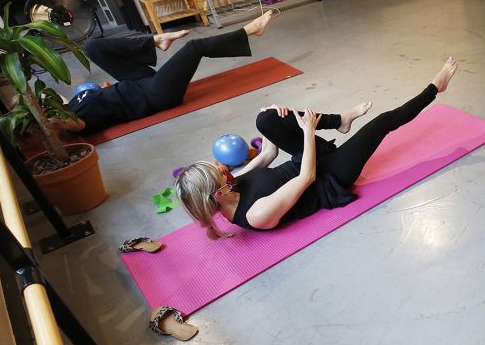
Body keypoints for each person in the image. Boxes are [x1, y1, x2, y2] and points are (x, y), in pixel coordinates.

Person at [175, 57, 458, 237]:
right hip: (327, 178)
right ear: (219, 191)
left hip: (306, 160)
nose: (225, 169)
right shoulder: (255, 214)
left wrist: (275, 119)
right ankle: (435, 87)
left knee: (266, 118)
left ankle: (341, 120)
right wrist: (307, 131)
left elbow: (268, 155)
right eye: (220, 172)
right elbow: (306, 178)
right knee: (382, 122)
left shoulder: (231, 187)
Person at [57, 10, 278, 136]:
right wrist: (49, 123)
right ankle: (250, 30)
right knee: (194, 47)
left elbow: (56, 100)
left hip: (134, 81)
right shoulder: (74, 121)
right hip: (154, 96)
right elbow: (67, 125)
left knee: (91, 48)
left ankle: (156, 40)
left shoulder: (67, 106)